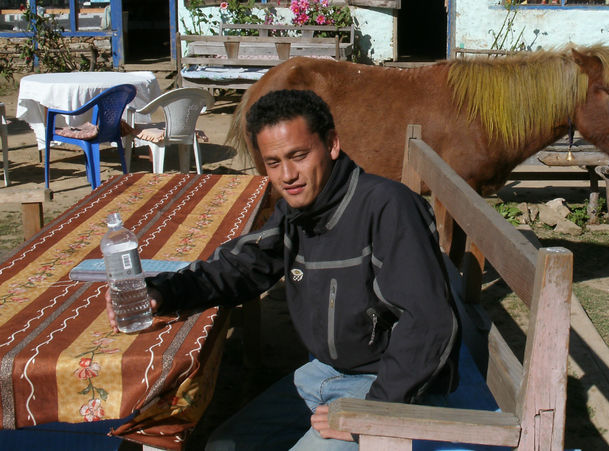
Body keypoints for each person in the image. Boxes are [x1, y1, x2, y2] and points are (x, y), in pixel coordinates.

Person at [107, 89, 459, 450]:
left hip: (387, 384)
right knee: (222, 445)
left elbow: (428, 323)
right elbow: (244, 265)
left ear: (332, 145)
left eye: (299, 156)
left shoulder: (388, 207)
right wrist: (163, 292)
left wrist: (373, 412)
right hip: (322, 374)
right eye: (273, 162)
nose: (288, 175)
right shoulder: (298, 211)